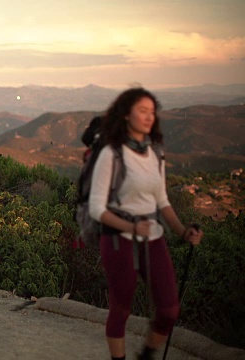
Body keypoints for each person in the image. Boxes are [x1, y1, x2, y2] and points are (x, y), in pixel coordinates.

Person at [88, 88, 203, 360]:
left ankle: (146, 355)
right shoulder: (111, 154)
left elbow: (162, 200)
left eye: (152, 111)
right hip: (118, 239)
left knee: (169, 309)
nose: (149, 116)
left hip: (153, 238)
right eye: (143, 110)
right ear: (126, 114)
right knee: (121, 308)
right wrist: (130, 228)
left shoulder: (154, 153)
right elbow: (96, 208)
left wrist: (183, 232)